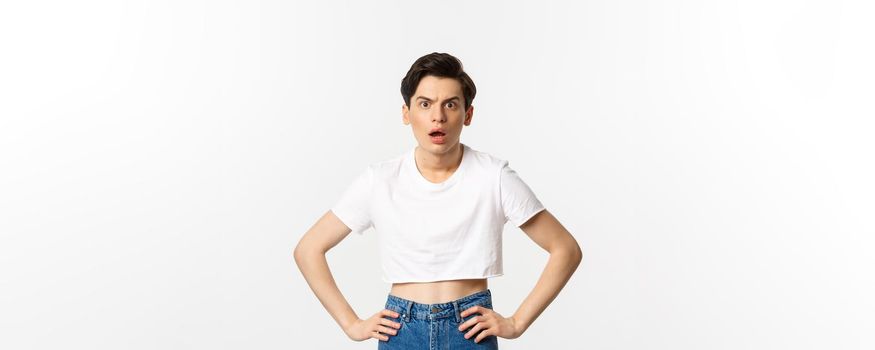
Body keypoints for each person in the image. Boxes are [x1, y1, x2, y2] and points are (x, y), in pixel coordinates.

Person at [294, 52, 583, 349]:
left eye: (451, 104)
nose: (438, 116)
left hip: (470, 331)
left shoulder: (493, 176)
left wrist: (517, 322)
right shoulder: (379, 180)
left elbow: (565, 249)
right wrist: (351, 324)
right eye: (425, 104)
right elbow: (309, 249)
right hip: (401, 330)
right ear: (406, 113)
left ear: (467, 115)